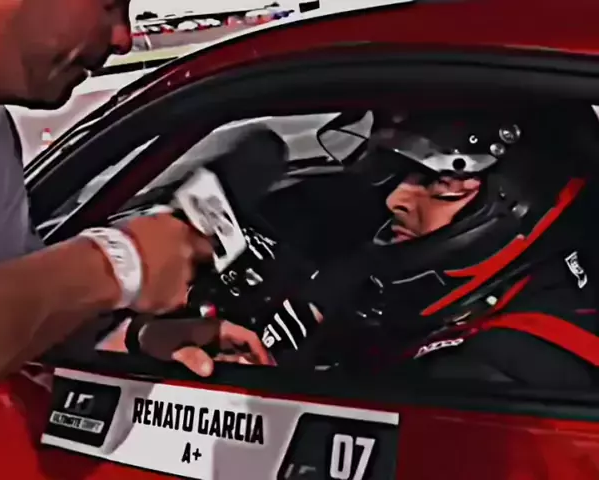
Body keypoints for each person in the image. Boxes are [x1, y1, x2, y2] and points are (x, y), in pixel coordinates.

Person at [119, 105, 599, 388]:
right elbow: (326, 300)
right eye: (404, 175)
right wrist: (155, 337)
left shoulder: (501, 370)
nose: (396, 201)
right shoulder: (393, 277)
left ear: (515, 200)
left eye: (443, 183)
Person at [0, 0, 227, 408]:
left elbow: (18, 313)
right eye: (109, 5)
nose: (124, 40)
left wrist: (131, 340)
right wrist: (118, 264)